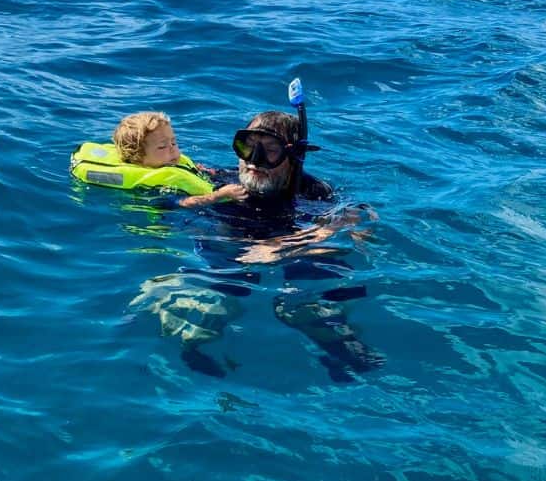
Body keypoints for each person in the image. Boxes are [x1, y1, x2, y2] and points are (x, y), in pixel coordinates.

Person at [141, 106, 386, 381]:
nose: (254, 160)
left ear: (293, 156)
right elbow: (165, 202)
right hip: (230, 248)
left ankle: (340, 344)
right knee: (216, 302)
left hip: (292, 249)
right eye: (247, 146)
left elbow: (359, 214)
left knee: (304, 299)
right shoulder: (220, 182)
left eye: (270, 150)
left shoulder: (312, 193)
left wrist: (285, 245)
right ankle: (193, 353)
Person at [112, 111, 248, 208]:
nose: (172, 149)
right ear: (138, 157)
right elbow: (184, 203)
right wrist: (219, 195)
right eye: (162, 147)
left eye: (173, 142)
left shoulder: (171, 163)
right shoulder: (155, 187)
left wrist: (204, 171)